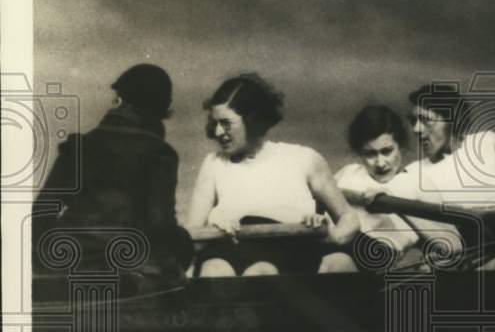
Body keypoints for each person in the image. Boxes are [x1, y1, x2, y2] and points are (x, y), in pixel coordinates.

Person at [186, 73, 359, 276]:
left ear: (252, 119)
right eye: (214, 123)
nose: (217, 132)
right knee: (214, 271)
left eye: (226, 123)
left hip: (292, 252)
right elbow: (193, 233)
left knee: (266, 271)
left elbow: (348, 217)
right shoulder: (213, 164)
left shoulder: (304, 159)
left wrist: (332, 237)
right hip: (232, 251)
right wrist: (215, 227)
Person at [33, 64, 193, 276]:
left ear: (118, 100)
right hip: (124, 265)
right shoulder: (160, 154)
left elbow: (41, 214)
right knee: (181, 240)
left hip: (66, 260)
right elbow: (160, 225)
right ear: (163, 111)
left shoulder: (79, 146)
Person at [406, 83, 495, 208]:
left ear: (452, 120)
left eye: (426, 120)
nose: (416, 129)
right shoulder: (414, 172)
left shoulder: (488, 142)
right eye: (413, 121)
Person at [334, 105, 420, 255]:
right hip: (337, 247)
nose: (380, 163)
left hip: (380, 258)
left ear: (401, 146)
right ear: (359, 152)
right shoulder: (348, 173)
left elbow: (452, 244)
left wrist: (394, 204)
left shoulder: (416, 182)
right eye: (370, 154)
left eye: (387, 151)